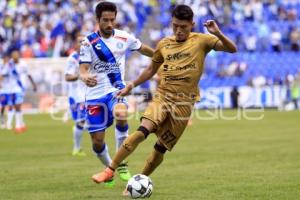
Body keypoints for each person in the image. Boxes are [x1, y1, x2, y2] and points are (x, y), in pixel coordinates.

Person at [92, 4, 237, 195]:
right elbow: (151, 69)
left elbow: (232, 49)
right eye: (175, 25)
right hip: (163, 97)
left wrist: (217, 32)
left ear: (192, 25)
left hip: (184, 105)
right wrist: (132, 85)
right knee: (142, 131)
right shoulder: (164, 44)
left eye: (183, 27)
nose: (179, 30)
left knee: (160, 148)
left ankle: (136, 182)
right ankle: (110, 170)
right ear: (171, 23)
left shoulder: (203, 41)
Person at [79, 1, 154, 187]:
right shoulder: (88, 42)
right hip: (95, 95)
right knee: (97, 143)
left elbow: (144, 49)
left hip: (116, 89)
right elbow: (83, 69)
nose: (109, 24)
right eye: (105, 20)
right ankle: (109, 169)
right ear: (97, 20)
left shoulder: (124, 37)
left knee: (121, 114)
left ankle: (121, 163)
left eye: (112, 19)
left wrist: (161, 56)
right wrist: (85, 77)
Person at [3, 50, 37, 132]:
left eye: (16, 56)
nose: (14, 58)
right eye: (13, 56)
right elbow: (3, 73)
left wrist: (33, 84)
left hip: (20, 88)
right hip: (11, 88)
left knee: (17, 105)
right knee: (14, 105)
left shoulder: (23, 64)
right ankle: (21, 124)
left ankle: (18, 125)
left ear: (18, 56)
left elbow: (29, 75)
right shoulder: (10, 64)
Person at [65, 35, 87, 156]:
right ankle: (77, 148)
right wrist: (80, 76)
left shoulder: (89, 57)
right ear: (75, 44)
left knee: (91, 121)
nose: (82, 44)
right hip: (76, 96)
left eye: (84, 42)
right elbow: (67, 77)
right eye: (80, 42)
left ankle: (77, 147)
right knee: (81, 121)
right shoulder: (72, 59)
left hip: (88, 94)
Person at [0, 54, 10, 129]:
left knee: (10, 105)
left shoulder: (10, 67)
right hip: (3, 90)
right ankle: (3, 120)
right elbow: (1, 76)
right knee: (3, 105)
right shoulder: (2, 67)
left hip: (10, 89)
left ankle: (8, 122)